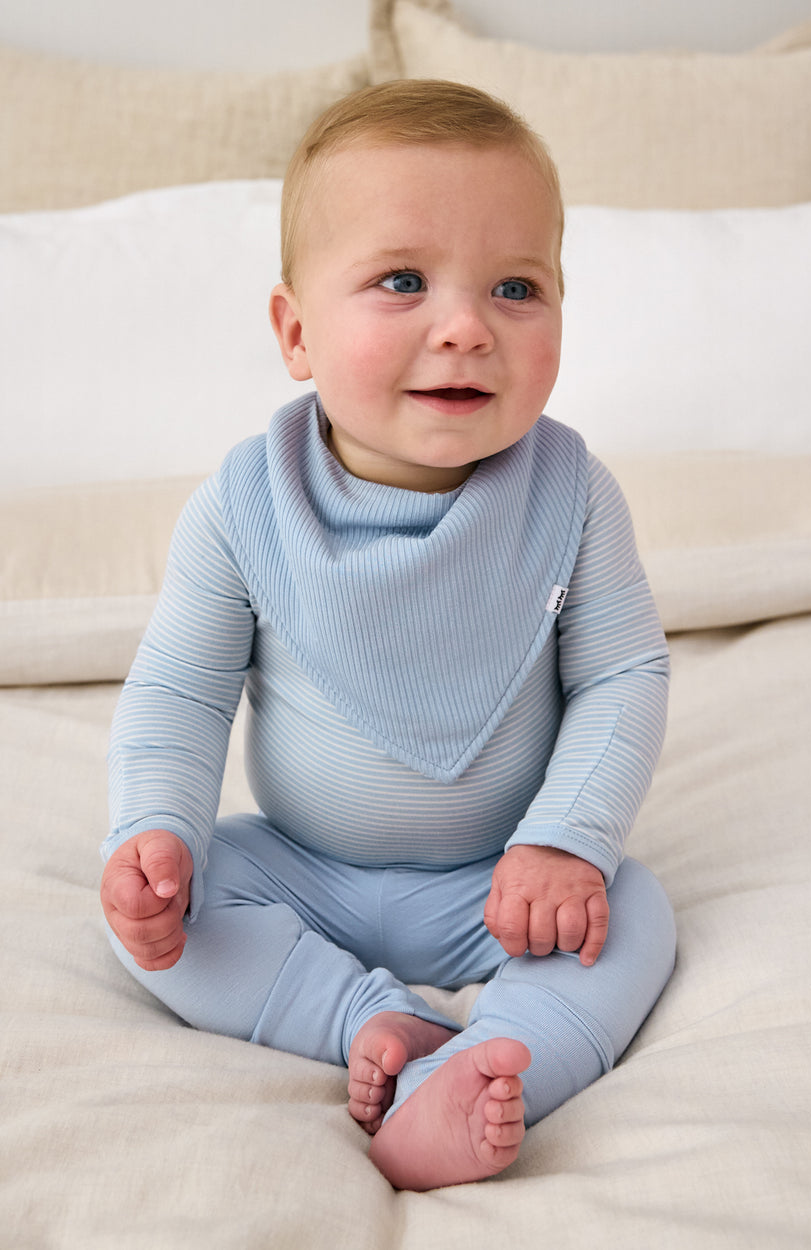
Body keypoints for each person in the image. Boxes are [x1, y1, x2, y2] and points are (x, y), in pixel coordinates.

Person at [100, 79, 676, 1192]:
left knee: (633, 913)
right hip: (300, 867)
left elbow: (622, 672)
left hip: (497, 878)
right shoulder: (244, 503)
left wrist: (565, 836)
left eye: (516, 287)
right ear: (296, 331)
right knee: (157, 923)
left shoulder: (571, 493)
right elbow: (179, 689)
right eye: (402, 280)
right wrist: (156, 830)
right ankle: (375, 1023)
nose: (464, 324)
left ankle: (483, 1068)